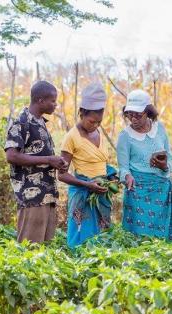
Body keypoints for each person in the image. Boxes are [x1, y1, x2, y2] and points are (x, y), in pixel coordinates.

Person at [5, 80, 67, 243]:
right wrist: (48, 159)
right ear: (40, 101)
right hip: (32, 197)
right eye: (52, 101)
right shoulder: (21, 123)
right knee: (29, 249)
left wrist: (56, 162)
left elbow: (38, 155)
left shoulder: (40, 123)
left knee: (44, 249)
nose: (55, 105)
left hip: (47, 195)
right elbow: (11, 156)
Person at [58, 83, 117, 248]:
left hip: (100, 192)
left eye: (99, 122)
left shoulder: (99, 133)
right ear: (82, 113)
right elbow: (61, 174)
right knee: (80, 237)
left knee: (102, 238)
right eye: (92, 121)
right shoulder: (71, 137)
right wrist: (87, 184)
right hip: (82, 193)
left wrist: (111, 176)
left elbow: (101, 163)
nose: (95, 126)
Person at [117, 89, 172, 240]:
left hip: (161, 189)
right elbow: (123, 167)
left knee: (161, 238)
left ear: (148, 112)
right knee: (140, 238)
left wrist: (164, 166)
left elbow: (169, 157)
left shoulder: (160, 128)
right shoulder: (125, 136)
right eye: (130, 114)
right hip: (138, 191)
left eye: (138, 115)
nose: (133, 119)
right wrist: (127, 176)